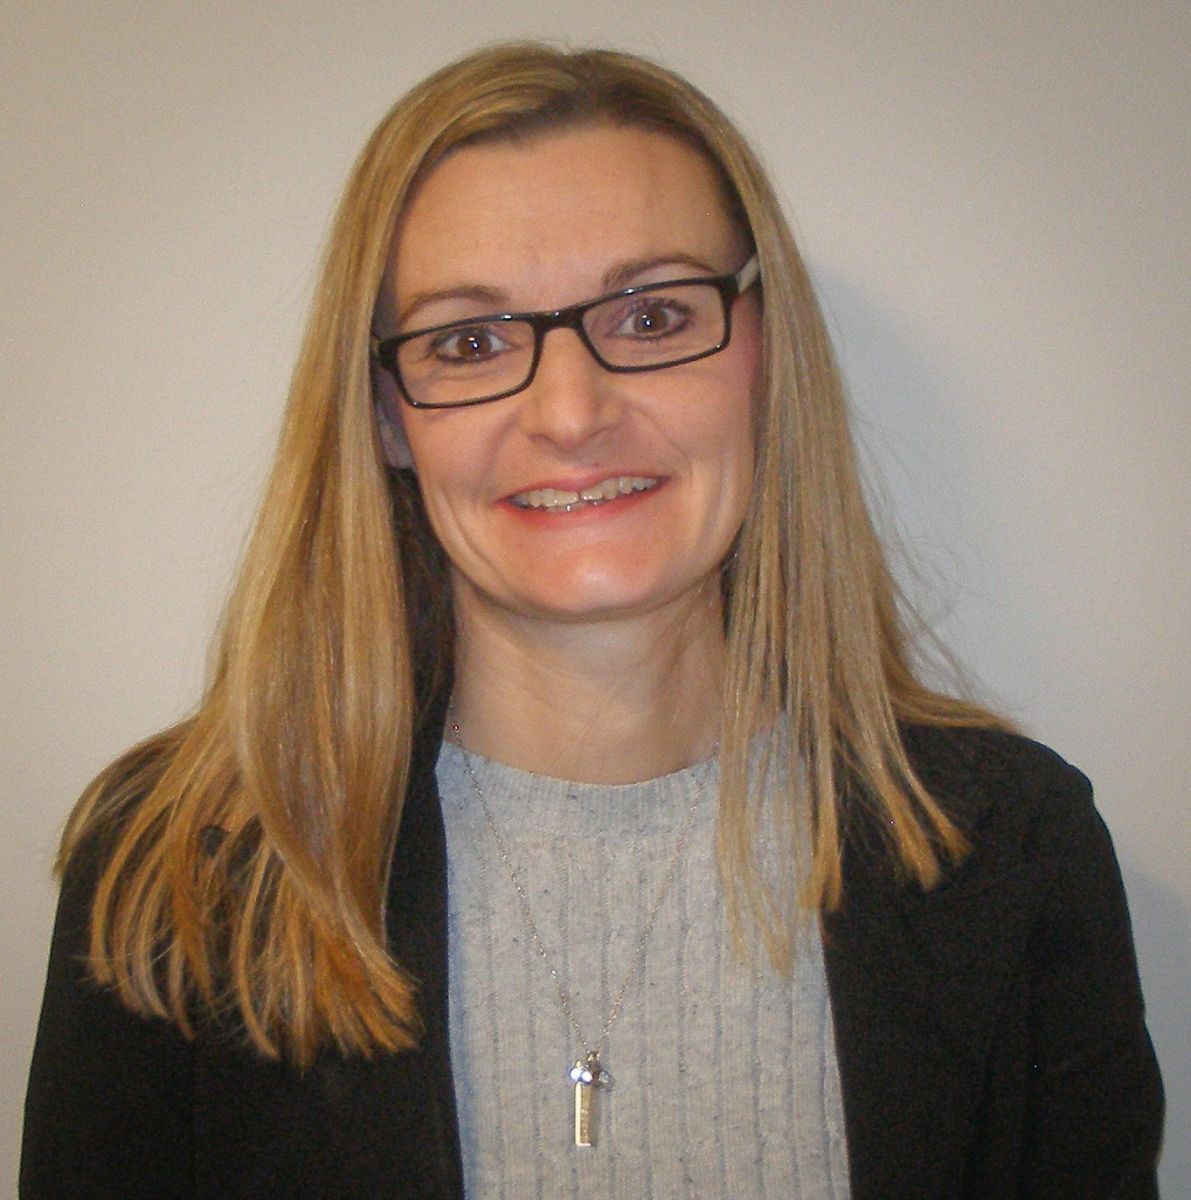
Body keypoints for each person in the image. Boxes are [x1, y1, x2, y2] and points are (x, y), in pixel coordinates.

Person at [21, 42, 1162, 1199]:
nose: (570, 413)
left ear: (767, 359)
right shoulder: (181, 873)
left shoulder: (1016, 851)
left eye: (655, 315)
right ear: (385, 415)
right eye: (469, 342)